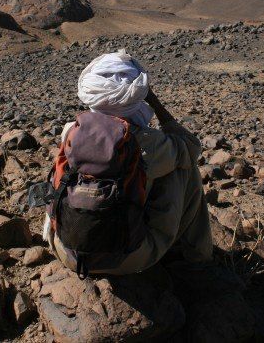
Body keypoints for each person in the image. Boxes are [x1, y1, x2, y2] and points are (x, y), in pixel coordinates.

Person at [43, 50, 213, 274]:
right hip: (127, 259)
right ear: (138, 95)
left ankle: (52, 234)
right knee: (184, 165)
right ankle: (198, 255)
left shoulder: (71, 132)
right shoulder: (150, 143)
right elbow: (192, 147)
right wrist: (155, 102)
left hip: (68, 252)